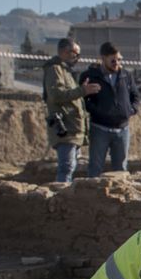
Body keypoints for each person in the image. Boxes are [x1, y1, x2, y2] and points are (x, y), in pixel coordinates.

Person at [41, 35, 101, 184]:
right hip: (65, 128)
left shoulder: (65, 71)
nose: (77, 57)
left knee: (71, 167)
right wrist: (82, 91)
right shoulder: (55, 69)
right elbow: (56, 95)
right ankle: (61, 196)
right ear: (64, 52)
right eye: (75, 53)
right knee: (66, 168)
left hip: (73, 128)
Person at [82, 42, 137, 176]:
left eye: (119, 60)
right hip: (100, 129)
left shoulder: (126, 75)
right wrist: (97, 111)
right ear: (103, 58)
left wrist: (130, 110)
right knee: (95, 167)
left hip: (122, 129)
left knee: (121, 168)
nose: (116, 63)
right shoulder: (90, 76)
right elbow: (83, 100)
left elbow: (135, 96)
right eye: (113, 60)